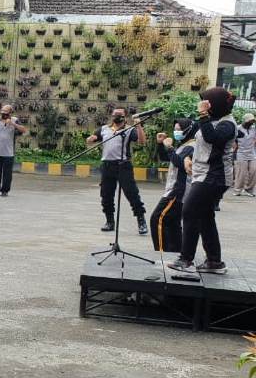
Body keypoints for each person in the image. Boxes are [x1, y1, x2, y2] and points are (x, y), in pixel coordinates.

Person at [168, 88, 238, 274]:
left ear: (214, 104)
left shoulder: (227, 124)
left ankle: (186, 259)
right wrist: (188, 158)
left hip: (215, 176)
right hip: (204, 174)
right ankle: (214, 261)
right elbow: (202, 144)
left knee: (189, 211)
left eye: (207, 103)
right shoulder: (213, 120)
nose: (204, 105)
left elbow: (212, 138)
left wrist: (203, 115)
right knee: (205, 217)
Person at [87, 107, 148, 234]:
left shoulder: (130, 129)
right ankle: (109, 221)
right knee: (106, 195)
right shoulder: (104, 129)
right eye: (114, 114)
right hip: (107, 166)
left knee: (132, 194)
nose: (116, 116)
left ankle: (141, 221)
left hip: (123, 166)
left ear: (125, 117)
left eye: (119, 114)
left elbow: (142, 142)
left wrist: (138, 125)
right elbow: (91, 140)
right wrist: (90, 139)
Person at [149, 120, 194, 253]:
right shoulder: (183, 145)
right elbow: (167, 158)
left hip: (178, 190)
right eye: (175, 129)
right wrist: (160, 144)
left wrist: (170, 148)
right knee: (173, 223)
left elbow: (180, 164)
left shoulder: (191, 146)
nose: (176, 132)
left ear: (188, 130)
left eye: (179, 129)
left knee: (158, 218)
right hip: (176, 188)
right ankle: (176, 253)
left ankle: (161, 253)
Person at [0, 105, 28, 197]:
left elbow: (24, 130)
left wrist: (13, 124)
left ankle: (5, 191)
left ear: (10, 113)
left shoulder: (14, 120)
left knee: (7, 174)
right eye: (3, 112)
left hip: (9, 152)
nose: (4, 115)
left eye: (6, 113)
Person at [233, 113, 255, 197]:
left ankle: (248, 189)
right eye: (250, 121)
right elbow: (233, 141)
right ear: (245, 121)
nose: (251, 123)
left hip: (252, 153)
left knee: (254, 171)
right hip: (241, 153)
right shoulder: (237, 128)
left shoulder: (254, 129)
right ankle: (237, 190)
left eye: (252, 121)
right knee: (241, 173)